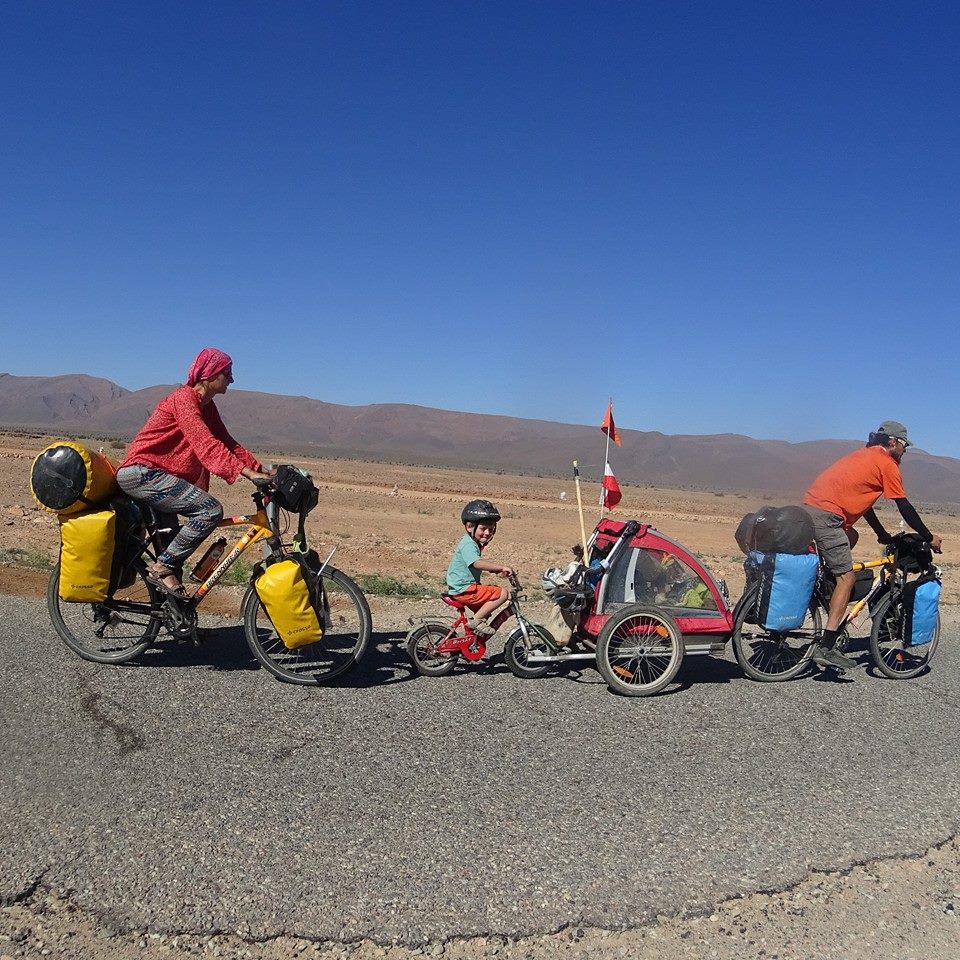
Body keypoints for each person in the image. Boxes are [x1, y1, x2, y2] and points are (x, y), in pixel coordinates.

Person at [116, 348, 274, 597]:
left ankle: (174, 613)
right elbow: (205, 444)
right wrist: (246, 473)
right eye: (227, 373)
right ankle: (161, 568)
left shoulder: (207, 407)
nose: (232, 379)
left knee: (172, 549)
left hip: (160, 477)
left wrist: (259, 469)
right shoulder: (184, 400)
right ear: (210, 374)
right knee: (209, 510)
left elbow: (227, 442)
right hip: (142, 473)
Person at [802, 420, 942, 670]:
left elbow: (863, 504)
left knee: (852, 536)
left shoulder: (865, 455)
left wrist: (881, 533)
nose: (905, 450)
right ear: (893, 442)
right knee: (847, 579)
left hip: (812, 509)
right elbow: (904, 506)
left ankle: (824, 589)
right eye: (904, 445)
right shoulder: (887, 464)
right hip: (828, 517)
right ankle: (827, 646)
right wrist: (929, 537)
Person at [446, 499, 515, 637]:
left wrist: (498, 571)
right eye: (483, 529)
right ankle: (475, 621)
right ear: (470, 527)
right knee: (502, 594)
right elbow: (476, 563)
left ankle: (471, 641)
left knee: (486, 612)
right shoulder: (468, 544)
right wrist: (501, 567)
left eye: (491, 529)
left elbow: (478, 565)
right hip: (465, 589)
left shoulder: (472, 543)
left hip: (463, 588)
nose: (487, 532)